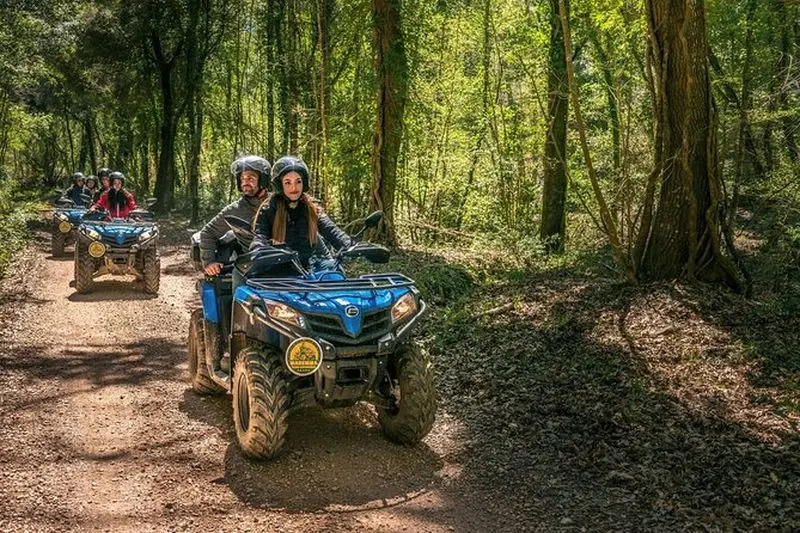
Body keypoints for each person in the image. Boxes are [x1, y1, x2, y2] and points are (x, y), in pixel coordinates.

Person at [249, 156, 352, 274]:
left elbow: (331, 230)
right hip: (278, 268)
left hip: (307, 266)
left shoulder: (312, 208)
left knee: (335, 273)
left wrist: (351, 246)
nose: (294, 187)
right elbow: (260, 236)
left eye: (298, 181)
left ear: (304, 182)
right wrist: (260, 249)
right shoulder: (269, 209)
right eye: (287, 182)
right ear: (279, 185)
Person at [199, 155, 271, 276]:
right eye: (242, 178)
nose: (245, 182)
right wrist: (209, 262)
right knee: (239, 286)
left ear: (263, 180)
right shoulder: (235, 209)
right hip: (251, 266)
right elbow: (208, 232)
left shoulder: (276, 203)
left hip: (281, 260)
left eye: (250, 178)